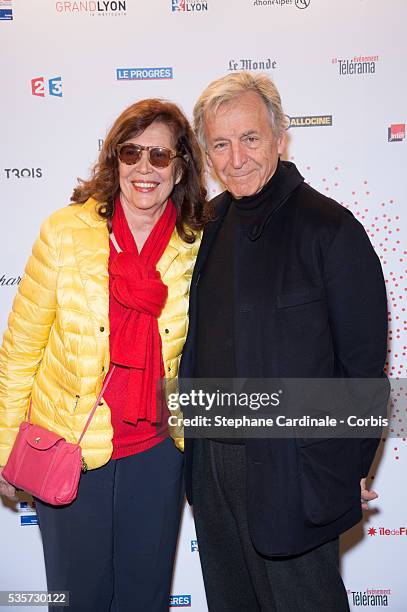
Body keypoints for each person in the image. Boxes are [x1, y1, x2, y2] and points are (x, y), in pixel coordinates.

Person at [179, 72, 388, 611]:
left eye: (249, 138)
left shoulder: (331, 229)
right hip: (212, 470)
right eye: (220, 145)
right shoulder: (210, 225)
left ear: (279, 136)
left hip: (293, 472)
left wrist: (343, 472)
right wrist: (194, 467)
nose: (236, 158)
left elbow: (363, 373)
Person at [0, 98, 207, 611]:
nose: (144, 167)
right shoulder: (65, 233)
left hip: (157, 454)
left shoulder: (197, 243)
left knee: (144, 598)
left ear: (179, 169)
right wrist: (4, 445)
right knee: (77, 600)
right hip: (70, 447)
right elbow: (21, 348)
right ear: (114, 160)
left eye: (160, 157)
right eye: (132, 152)